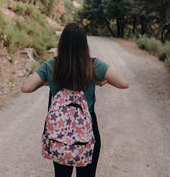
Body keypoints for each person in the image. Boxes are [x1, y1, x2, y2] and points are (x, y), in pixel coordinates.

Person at [21, 22, 129, 177]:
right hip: (87, 128)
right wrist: (103, 80)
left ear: (62, 43)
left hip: (59, 131)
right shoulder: (93, 65)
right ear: (84, 44)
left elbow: (26, 87)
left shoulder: (51, 65)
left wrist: (46, 82)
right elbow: (124, 83)